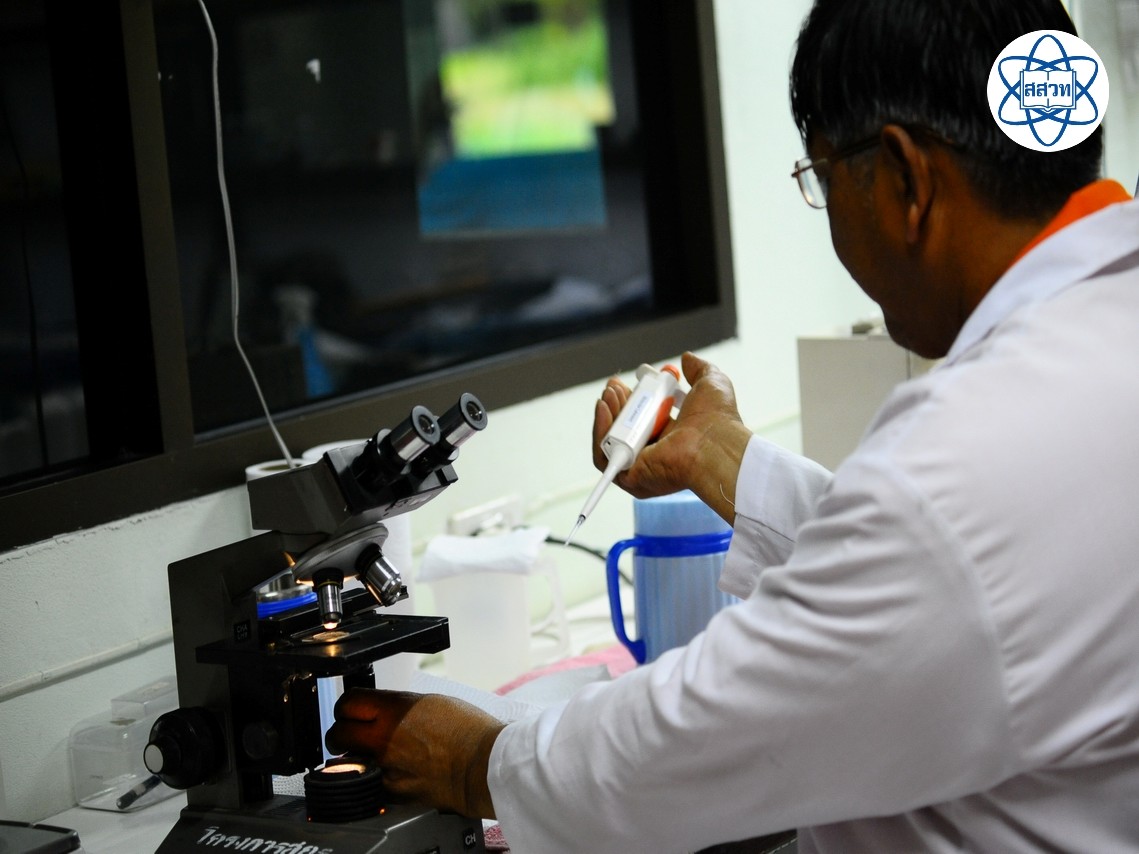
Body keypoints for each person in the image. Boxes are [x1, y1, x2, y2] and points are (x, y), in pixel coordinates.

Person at [326, 0, 1139, 850]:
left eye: (821, 178)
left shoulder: (965, 457)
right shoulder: (1091, 342)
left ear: (904, 178)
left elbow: (717, 734)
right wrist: (724, 460)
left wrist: (480, 763)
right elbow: (955, 587)